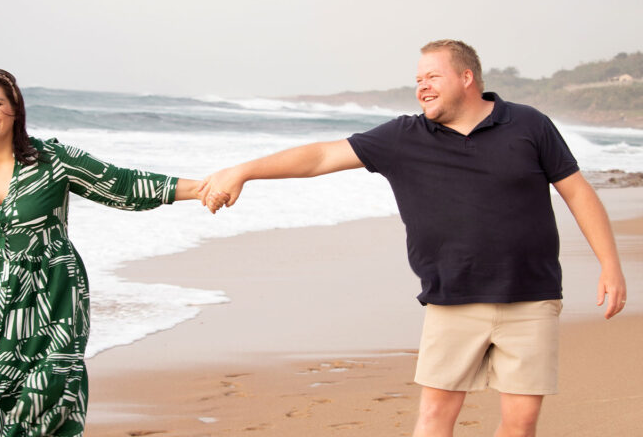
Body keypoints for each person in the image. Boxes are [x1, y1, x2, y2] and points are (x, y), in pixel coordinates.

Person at [199, 40, 627, 436]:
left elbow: (577, 192)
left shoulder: (529, 124)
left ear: (466, 78)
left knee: (521, 423)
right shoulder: (404, 137)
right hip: (452, 298)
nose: (421, 87)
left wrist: (610, 264)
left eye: (432, 77)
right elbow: (321, 156)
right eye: (418, 80)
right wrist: (244, 171)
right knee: (436, 415)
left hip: (531, 296)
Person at [0, 69, 215, 437]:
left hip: (47, 304)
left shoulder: (52, 160)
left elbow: (119, 183)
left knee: (37, 405)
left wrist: (201, 188)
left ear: (15, 110)